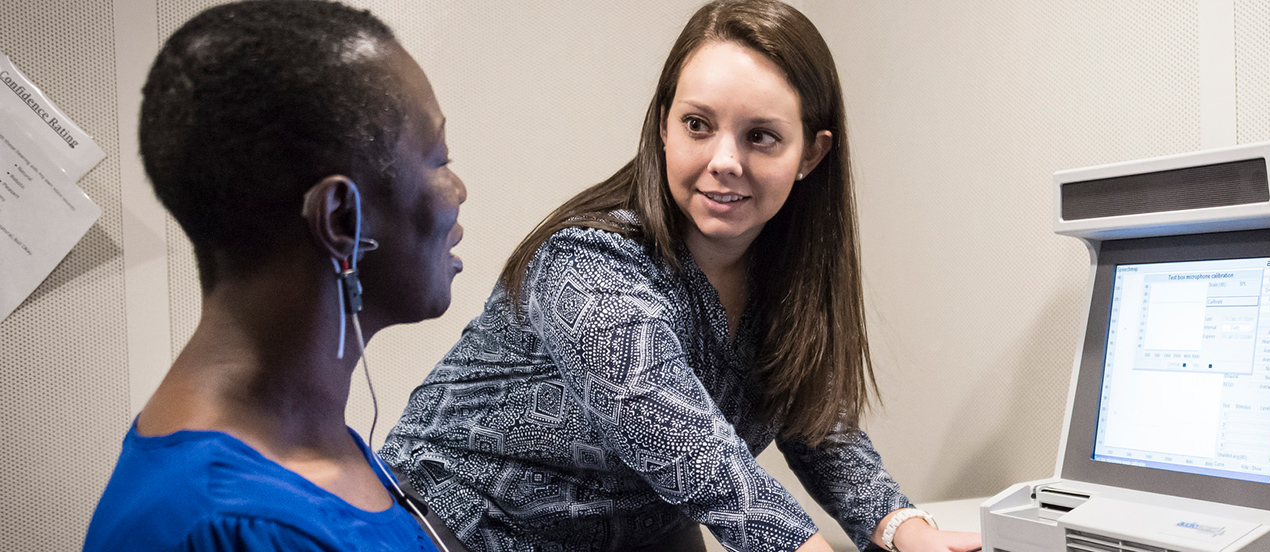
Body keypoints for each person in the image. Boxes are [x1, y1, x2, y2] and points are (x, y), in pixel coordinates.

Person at [380, 2, 981, 552]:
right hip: (457, 523)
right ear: (664, 126)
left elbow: (816, 423)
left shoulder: (786, 276)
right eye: (698, 125)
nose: (725, 160)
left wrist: (904, 527)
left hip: (635, 534)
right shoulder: (589, 260)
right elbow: (678, 438)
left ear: (812, 155)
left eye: (762, 136)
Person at [83, 1, 468, 550]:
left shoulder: (311, 447)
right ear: (341, 219)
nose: (458, 191)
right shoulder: (227, 526)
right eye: (437, 158)